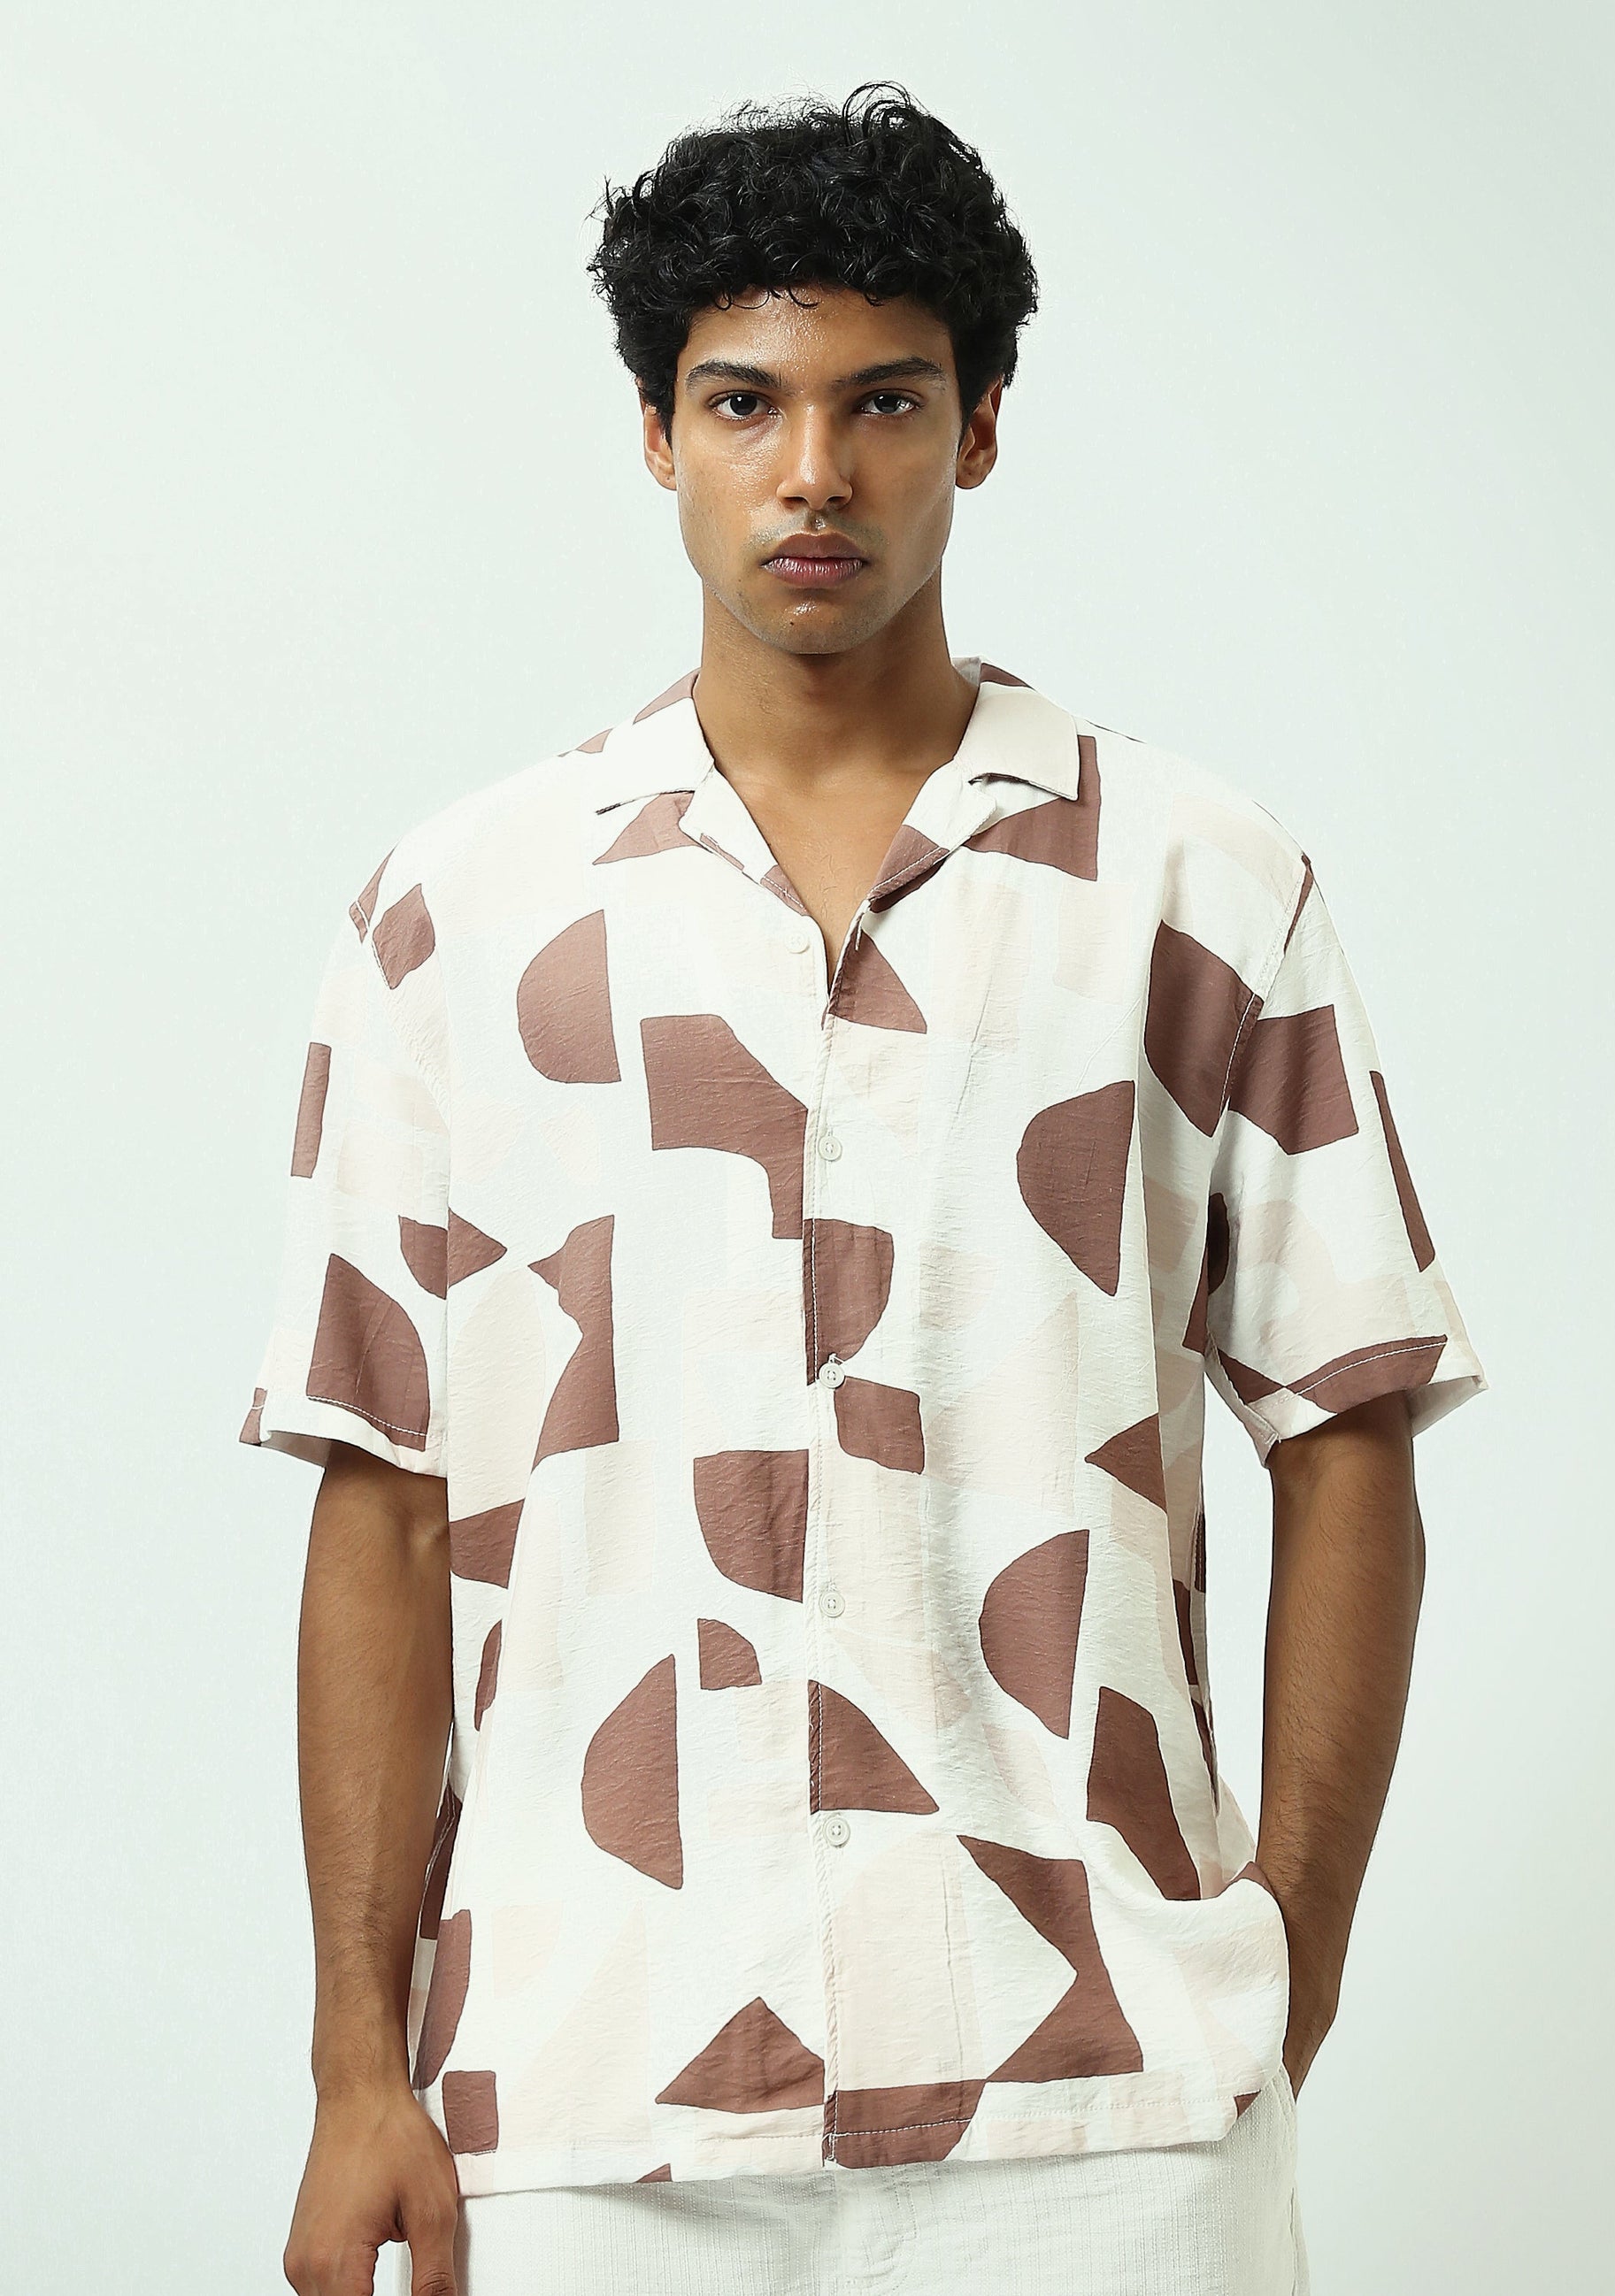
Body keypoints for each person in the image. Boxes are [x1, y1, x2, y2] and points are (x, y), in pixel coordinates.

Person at [240, 80, 1487, 2296]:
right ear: (657, 432)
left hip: (1101, 2104)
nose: (811, 470)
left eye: (882, 400)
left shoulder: (1195, 885)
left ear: (978, 426)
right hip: (587, 2099)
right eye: (745, 401)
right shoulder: (460, 915)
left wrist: (1280, 1959)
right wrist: (358, 2057)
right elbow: (385, 1492)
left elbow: (1348, 1424)